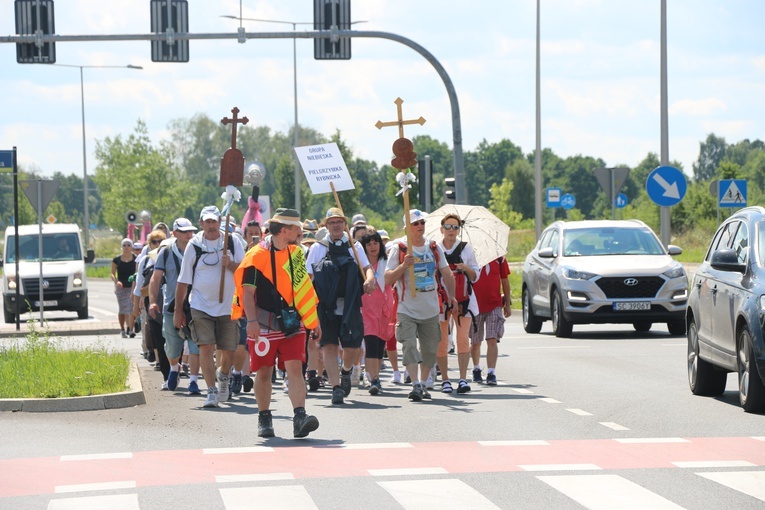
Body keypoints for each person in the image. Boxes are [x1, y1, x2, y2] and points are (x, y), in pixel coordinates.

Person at [232, 208, 322, 438]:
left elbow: (304, 290)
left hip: (293, 323)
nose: (300, 232)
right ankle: (264, 418)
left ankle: (300, 416)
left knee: (295, 368)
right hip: (263, 324)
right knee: (264, 371)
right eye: (296, 228)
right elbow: (247, 293)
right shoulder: (255, 256)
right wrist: (251, 321)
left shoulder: (296, 253)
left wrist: (314, 321)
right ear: (284, 231)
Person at [174, 205, 245, 409]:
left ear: (220, 222)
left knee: (229, 351)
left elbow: (245, 273)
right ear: (201, 223)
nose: (211, 225)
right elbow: (183, 280)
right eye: (208, 221)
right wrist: (178, 311)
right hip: (200, 305)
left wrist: (230, 264)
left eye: (214, 221)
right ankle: (211, 391)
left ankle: (223, 375)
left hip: (228, 306)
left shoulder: (233, 242)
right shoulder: (194, 245)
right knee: (205, 346)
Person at [385, 209, 458, 402]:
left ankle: (424, 383)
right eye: (415, 224)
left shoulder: (433, 247)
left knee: (430, 349)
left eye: (422, 223)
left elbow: (447, 273)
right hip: (406, 308)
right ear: (407, 227)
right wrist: (403, 266)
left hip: (430, 308)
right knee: (409, 345)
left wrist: (452, 296)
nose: (420, 226)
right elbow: (387, 278)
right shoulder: (399, 248)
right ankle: (415, 383)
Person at [306, 207, 376, 405]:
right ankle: (336, 387)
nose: (336, 225)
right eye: (332, 222)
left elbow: (366, 269)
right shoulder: (317, 248)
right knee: (329, 345)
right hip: (326, 306)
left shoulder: (355, 247)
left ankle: (346, 370)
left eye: (339, 222)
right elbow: (308, 278)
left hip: (350, 304)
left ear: (345, 224)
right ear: (326, 225)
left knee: (352, 347)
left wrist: (369, 280)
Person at [148, 218, 201, 394]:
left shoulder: (200, 250)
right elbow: (156, 279)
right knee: (171, 346)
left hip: (195, 305)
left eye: (191, 231)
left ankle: (193, 380)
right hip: (171, 305)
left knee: (195, 345)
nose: (189, 234)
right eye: (184, 231)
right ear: (174, 234)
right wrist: (153, 301)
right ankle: (173, 368)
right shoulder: (165, 252)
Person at [436, 213, 480, 394]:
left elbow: (475, 276)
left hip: (464, 301)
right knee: (442, 341)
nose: (451, 230)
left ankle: (463, 379)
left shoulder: (466, 248)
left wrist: (465, 268)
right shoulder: (435, 248)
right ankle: (445, 379)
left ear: (459, 230)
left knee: (462, 339)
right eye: (448, 227)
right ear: (442, 229)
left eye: (455, 227)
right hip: (441, 300)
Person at [359, 230, 395, 395]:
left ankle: (374, 376)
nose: (372, 247)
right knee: (371, 344)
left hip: (385, 310)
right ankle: (373, 378)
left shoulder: (387, 263)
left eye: (375, 243)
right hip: (366, 310)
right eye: (368, 244)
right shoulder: (360, 265)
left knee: (380, 347)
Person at [133, 230, 169, 386]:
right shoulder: (146, 260)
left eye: (160, 241)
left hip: (170, 304)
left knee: (173, 340)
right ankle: (167, 373)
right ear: (149, 244)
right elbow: (139, 287)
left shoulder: (171, 256)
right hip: (153, 305)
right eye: (154, 241)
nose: (157, 244)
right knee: (159, 340)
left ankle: (175, 366)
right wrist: (136, 306)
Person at [469, 256, 512, 385]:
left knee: (492, 338)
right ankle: (476, 368)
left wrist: (508, 305)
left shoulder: (500, 259)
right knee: (476, 341)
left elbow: (505, 280)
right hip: (475, 305)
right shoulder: (470, 256)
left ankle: (491, 372)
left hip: (495, 304)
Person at [112, 238, 137, 338]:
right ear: (122, 247)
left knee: (130, 308)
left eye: (128, 245)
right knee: (122, 309)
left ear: (131, 247)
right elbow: (112, 273)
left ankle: (130, 330)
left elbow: (137, 272)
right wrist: (116, 281)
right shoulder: (117, 259)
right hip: (121, 287)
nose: (126, 247)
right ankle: (122, 329)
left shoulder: (136, 259)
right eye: (124, 245)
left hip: (131, 286)